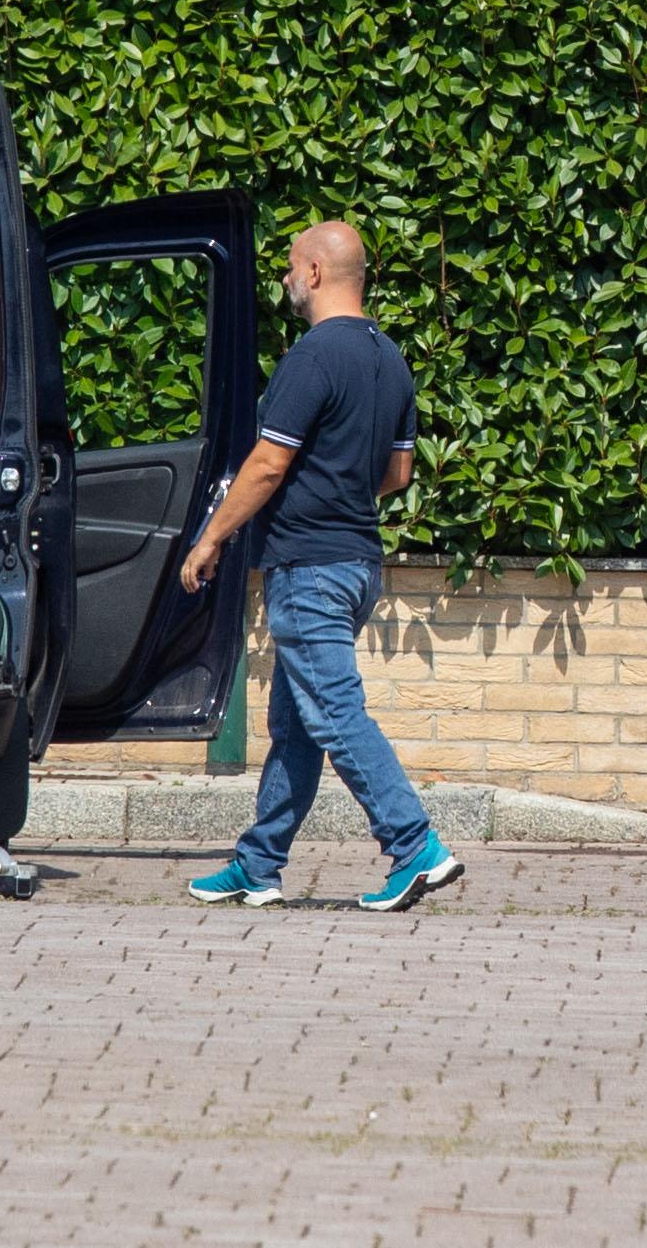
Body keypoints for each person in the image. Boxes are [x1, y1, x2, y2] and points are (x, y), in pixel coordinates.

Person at [181, 220, 459, 913]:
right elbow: (395, 472)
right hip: (359, 562)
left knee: (335, 713)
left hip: (308, 565)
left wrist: (210, 538)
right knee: (298, 723)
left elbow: (269, 462)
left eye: (287, 268)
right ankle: (257, 863)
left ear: (311, 271)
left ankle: (414, 844)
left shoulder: (311, 356)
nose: (283, 281)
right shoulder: (389, 358)